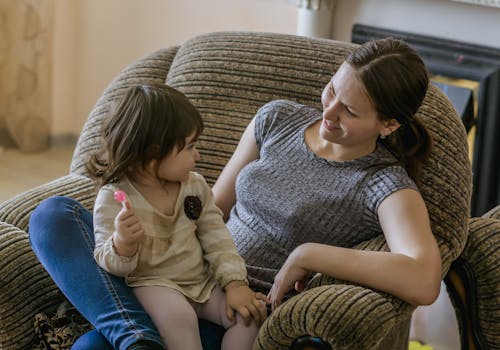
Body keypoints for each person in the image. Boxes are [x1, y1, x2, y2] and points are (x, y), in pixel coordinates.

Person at [29, 37, 442, 350]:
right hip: (176, 270)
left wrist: (308, 254)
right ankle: (134, 332)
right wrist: (140, 225)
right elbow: (209, 206)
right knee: (53, 216)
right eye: (332, 91)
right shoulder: (276, 119)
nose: (328, 113)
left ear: (387, 124)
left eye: (350, 111)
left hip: (237, 310)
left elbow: (424, 280)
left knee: (88, 348)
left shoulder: (384, 184)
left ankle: (127, 331)